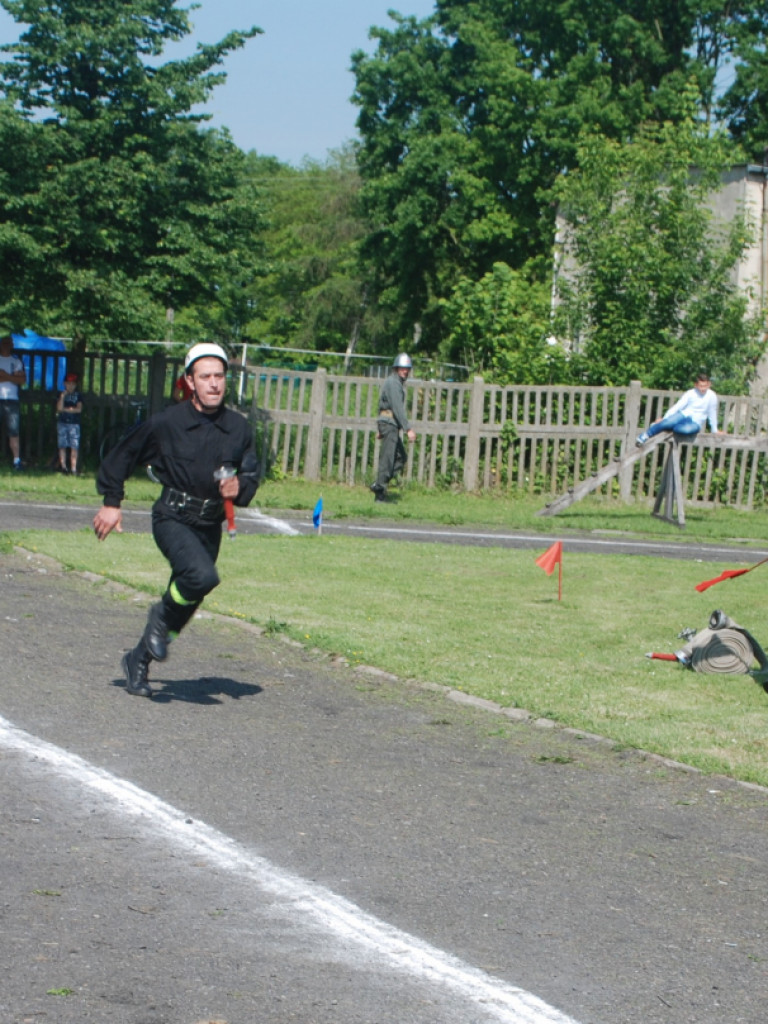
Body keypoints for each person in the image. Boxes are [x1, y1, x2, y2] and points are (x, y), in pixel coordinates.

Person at [93, 342, 260, 698]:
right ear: (190, 381)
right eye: (205, 377)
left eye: (219, 376)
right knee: (200, 577)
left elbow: (251, 476)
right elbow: (121, 456)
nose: (214, 384)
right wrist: (111, 503)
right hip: (173, 517)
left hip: (209, 524)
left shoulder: (239, 428)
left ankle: (137, 659)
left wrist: (240, 486)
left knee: (186, 601)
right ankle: (157, 619)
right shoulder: (167, 422)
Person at [371, 353, 416, 501]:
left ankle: (379, 483)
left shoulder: (395, 383)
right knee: (388, 458)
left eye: (407, 369)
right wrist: (408, 429)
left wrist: (380, 427)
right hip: (389, 424)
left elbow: (382, 404)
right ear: (396, 368)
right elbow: (397, 408)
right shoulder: (393, 383)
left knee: (400, 458)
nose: (405, 371)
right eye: (402, 368)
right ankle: (380, 492)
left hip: (389, 424)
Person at [636, 372, 724, 446]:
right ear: (696, 385)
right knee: (668, 422)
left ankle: (663, 426)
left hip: (696, 422)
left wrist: (714, 430)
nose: (703, 389)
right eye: (701, 386)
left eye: (705, 386)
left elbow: (712, 413)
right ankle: (645, 435)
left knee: (685, 430)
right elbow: (678, 406)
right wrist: (665, 418)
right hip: (684, 415)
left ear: (709, 384)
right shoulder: (690, 393)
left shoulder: (712, 396)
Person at [0, 333, 27, 470]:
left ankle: (17, 460)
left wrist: (5, 376)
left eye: (8, 342)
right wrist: (11, 377)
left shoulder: (16, 361)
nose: (6, 345)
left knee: (14, 431)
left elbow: (22, 380)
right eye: (4, 342)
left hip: (12, 400)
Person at [56, 372, 83, 474]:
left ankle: (73, 468)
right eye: (68, 383)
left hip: (74, 423)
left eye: (73, 384)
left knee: (74, 446)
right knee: (62, 445)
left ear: (76, 385)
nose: (70, 386)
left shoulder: (78, 396)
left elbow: (79, 409)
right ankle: (63, 467)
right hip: (62, 423)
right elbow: (59, 409)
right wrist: (63, 397)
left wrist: (66, 409)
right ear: (64, 384)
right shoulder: (60, 394)